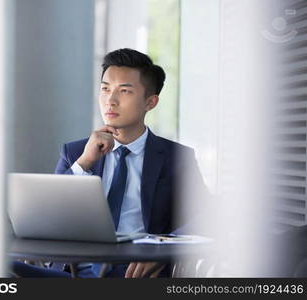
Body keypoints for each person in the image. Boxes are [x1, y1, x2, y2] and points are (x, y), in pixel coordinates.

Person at [12, 48, 211, 278]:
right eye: (105, 89)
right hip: (75, 271)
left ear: (150, 102)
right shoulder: (76, 151)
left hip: (133, 273)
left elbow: (205, 218)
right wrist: (84, 162)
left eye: (124, 91)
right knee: (1, 268)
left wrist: (162, 252)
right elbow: (43, 214)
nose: (111, 100)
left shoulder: (176, 158)